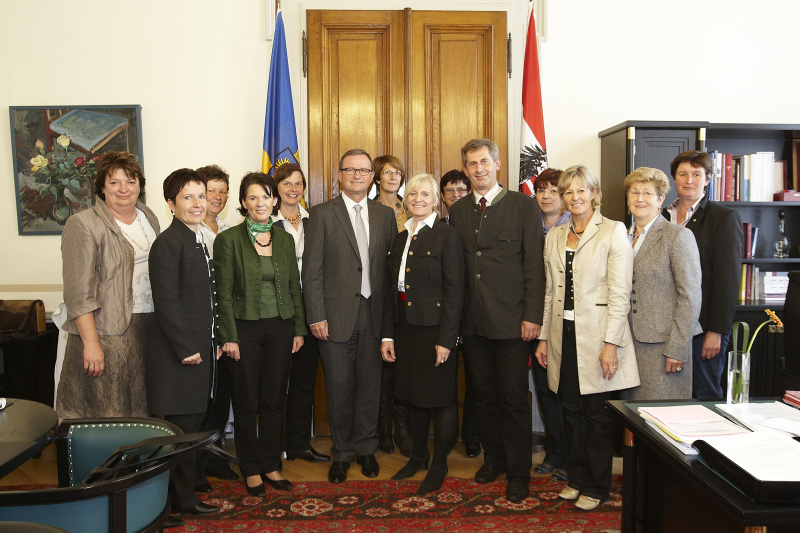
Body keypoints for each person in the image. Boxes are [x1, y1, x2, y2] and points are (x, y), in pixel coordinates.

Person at [534, 164, 639, 511]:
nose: (574, 197)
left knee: (596, 417)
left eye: (581, 190)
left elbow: (621, 294)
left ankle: (597, 486)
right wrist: (545, 339)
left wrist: (612, 344)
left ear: (594, 193)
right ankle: (576, 479)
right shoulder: (554, 236)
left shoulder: (613, 231)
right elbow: (550, 291)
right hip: (562, 334)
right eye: (568, 192)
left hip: (598, 337)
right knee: (570, 412)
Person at [448, 139, 545, 503]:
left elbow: (535, 268)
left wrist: (532, 317)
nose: (479, 169)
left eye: (484, 162)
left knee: (514, 400)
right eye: (471, 164)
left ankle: (519, 473)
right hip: (472, 325)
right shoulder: (458, 212)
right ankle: (495, 461)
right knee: (483, 398)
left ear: (498, 164)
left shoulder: (523, 206)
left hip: (512, 324)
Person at [302, 149, 397, 484]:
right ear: (339, 175)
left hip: (373, 317)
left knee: (370, 388)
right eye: (350, 170)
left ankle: (366, 449)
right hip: (335, 316)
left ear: (373, 176)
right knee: (339, 389)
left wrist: (389, 326)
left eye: (364, 170)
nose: (358, 175)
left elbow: (387, 273)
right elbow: (311, 271)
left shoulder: (385, 216)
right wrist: (316, 315)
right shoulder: (321, 214)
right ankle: (341, 453)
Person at [215, 173, 307, 496]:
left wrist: (298, 328)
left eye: (266, 197)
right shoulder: (228, 241)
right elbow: (222, 294)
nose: (260, 203)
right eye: (253, 198)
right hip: (244, 329)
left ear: (274, 201)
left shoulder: (284, 239)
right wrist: (227, 336)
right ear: (243, 203)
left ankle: (270, 464)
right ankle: (250, 468)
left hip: (281, 327)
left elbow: (294, 286)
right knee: (245, 401)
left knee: (272, 400)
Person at [57, 151, 160, 419]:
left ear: (140, 185)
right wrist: (91, 344)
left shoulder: (148, 217)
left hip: (148, 327)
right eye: (114, 182)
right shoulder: (82, 224)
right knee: (109, 411)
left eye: (131, 181)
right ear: (101, 187)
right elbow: (78, 293)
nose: (124, 189)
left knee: (144, 407)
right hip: (107, 332)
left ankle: (143, 461)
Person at [381, 173, 465, 495]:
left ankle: (440, 462)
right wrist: (388, 335)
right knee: (412, 397)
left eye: (425, 194)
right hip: (405, 330)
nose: (418, 198)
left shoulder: (447, 235)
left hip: (435, 333)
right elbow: (392, 291)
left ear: (436, 200)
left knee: (441, 400)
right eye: (413, 193)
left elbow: (456, 291)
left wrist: (447, 338)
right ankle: (418, 454)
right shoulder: (400, 237)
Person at [147, 168, 220, 521]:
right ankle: (178, 503)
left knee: (190, 429)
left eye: (201, 196)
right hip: (180, 357)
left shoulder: (196, 238)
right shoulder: (168, 243)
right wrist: (186, 348)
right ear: (170, 204)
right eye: (187, 197)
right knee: (180, 434)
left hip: (199, 352)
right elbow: (167, 302)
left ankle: (181, 497)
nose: (197, 203)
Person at [663, 151, 743, 400]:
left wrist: (716, 331)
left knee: (704, 395)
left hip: (704, 328)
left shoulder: (723, 218)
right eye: (683, 174)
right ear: (674, 178)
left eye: (696, 174)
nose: (689, 180)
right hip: (666, 327)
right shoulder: (662, 216)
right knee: (668, 398)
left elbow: (728, 280)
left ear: (708, 179)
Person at [625, 167, 702, 400]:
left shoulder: (677, 236)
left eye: (648, 193)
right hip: (627, 346)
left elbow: (690, 297)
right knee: (631, 422)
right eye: (634, 192)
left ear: (661, 199)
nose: (640, 199)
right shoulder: (621, 236)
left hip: (663, 349)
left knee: (659, 424)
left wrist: (677, 349)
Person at [272, 163, 330, 464]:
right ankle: (273, 446)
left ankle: (297, 445)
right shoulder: (267, 222)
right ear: (276, 187)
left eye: (298, 184)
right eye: (286, 183)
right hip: (278, 316)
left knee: (304, 383)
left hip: (311, 312)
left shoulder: (314, 220)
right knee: (274, 382)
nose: (293, 189)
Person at [193, 164, 239, 491]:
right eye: (212, 191)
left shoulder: (227, 230)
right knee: (201, 403)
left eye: (223, 191)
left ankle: (216, 455)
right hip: (200, 331)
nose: (218, 197)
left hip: (226, 328)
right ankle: (197, 463)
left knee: (222, 398)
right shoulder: (191, 231)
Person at [372, 154, 413, 457]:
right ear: (376, 177)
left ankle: (403, 427)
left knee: (403, 366)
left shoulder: (410, 206)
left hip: (406, 295)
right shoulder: (371, 209)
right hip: (378, 292)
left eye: (398, 172)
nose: (394, 177)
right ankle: (382, 427)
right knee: (382, 369)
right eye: (387, 172)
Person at [531, 167, 570, 482]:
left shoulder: (575, 227)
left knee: (567, 392)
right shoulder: (529, 224)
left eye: (553, 190)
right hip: (536, 319)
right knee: (545, 390)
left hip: (566, 322)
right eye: (541, 190)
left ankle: (571, 455)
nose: (546, 196)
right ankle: (554, 451)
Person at [439, 169, 480, 458]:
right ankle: (447, 435)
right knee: (447, 379)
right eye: (450, 191)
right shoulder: (437, 226)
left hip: (476, 314)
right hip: (445, 317)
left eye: (461, 190)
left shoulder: (478, 222)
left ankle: (473, 436)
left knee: (477, 380)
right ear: (442, 197)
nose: (456, 195)